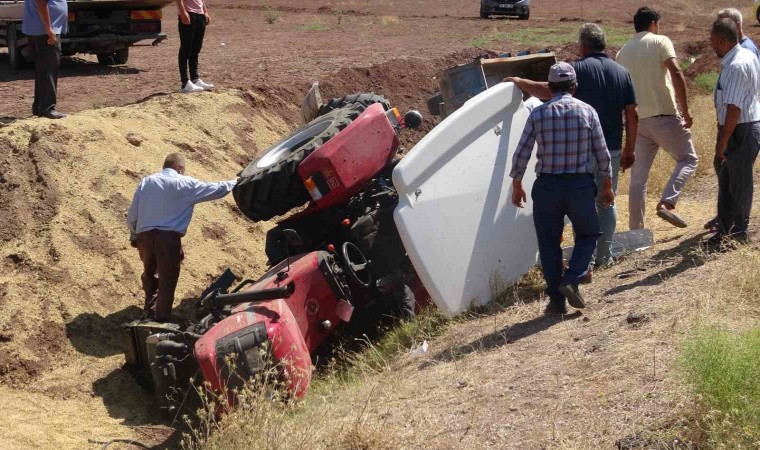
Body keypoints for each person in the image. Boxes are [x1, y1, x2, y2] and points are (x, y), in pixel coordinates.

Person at [507, 23, 637, 268]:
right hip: (613, 148)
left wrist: (520, 81)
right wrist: (630, 148)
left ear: (583, 46)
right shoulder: (622, 72)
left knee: (584, 206)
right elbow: (632, 115)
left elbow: (548, 92)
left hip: (582, 151)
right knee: (607, 203)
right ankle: (604, 257)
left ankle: (583, 262)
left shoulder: (576, 70)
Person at [510, 62, 614, 315]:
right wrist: (607, 184)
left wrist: (517, 184)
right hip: (578, 185)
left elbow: (522, 152)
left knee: (548, 243)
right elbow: (601, 153)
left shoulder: (537, 114)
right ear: (574, 86)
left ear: (550, 87)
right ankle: (573, 277)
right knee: (588, 234)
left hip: (546, 186)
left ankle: (556, 300)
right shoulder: (588, 112)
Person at [126, 153, 237, 321]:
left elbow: (132, 214)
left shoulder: (146, 182)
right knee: (167, 279)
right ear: (180, 168)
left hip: (144, 237)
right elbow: (215, 189)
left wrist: (134, 234)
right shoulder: (185, 183)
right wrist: (235, 181)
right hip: (168, 239)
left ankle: (148, 311)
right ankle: (160, 320)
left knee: (150, 274)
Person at [616, 7, 698, 230]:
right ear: (653, 23)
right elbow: (676, 72)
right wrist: (686, 111)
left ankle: (636, 231)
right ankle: (667, 202)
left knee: (638, 180)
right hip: (664, 115)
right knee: (688, 159)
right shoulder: (661, 41)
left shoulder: (622, 53)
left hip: (639, 122)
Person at [704, 8, 760, 232]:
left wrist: (723, 141)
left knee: (739, 182)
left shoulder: (737, 65)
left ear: (722, 40)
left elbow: (734, 109)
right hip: (740, 127)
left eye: (712, 41)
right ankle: (725, 228)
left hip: (740, 129)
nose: (711, 45)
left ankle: (738, 231)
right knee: (728, 179)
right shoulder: (741, 56)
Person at [22, 0, 67, 119]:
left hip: (40, 29)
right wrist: (49, 28)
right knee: (49, 68)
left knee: (43, 69)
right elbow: (41, 3)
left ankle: (39, 107)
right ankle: (47, 108)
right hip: (44, 31)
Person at [176, 0, 214, 93]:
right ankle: (185, 83)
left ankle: (195, 79)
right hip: (188, 13)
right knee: (186, 48)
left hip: (200, 14)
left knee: (196, 49)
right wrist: (182, 12)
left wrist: (205, 12)